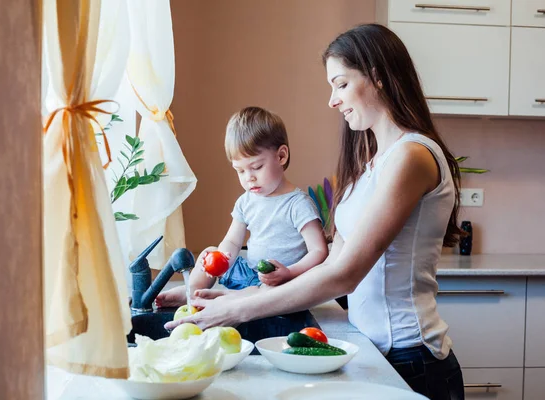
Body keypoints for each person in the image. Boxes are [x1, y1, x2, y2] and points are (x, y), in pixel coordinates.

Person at [166, 24, 466, 400]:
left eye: (340, 84)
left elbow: (345, 275)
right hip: (377, 350)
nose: (332, 100)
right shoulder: (372, 164)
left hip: (414, 358)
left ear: (378, 77)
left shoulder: (411, 156)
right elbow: (329, 266)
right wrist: (234, 298)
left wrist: (239, 312)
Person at [155, 106, 328, 307]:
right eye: (240, 171)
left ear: (281, 156)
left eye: (256, 167)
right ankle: (191, 291)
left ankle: (227, 299)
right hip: (247, 273)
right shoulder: (246, 201)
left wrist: (289, 272)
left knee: (268, 293)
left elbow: (319, 251)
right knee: (210, 251)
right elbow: (232, 242)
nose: (249, 178)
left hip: (282, 282)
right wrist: (220, 259)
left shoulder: (298, 204)